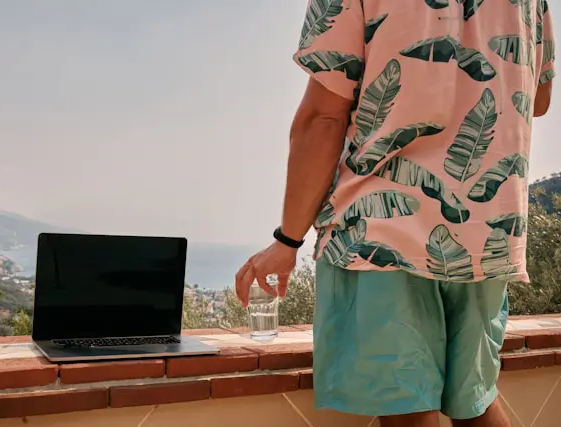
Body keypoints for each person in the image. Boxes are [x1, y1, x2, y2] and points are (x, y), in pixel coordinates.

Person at [235, 1, 555, 426]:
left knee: (406, 409)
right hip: (487, 229)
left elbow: (322, 118)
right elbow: (540, 96)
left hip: (383, 228)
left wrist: (287, 239)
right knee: (475, 403)